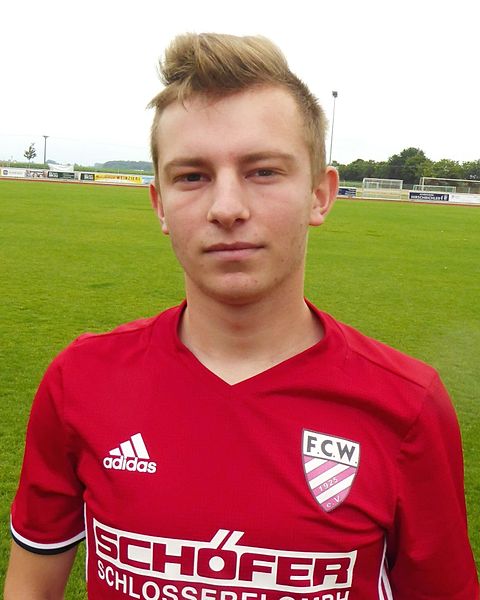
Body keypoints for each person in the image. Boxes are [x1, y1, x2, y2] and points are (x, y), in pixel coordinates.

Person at [4, 33, 478, 600]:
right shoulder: (80, 380)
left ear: (320, 195)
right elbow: (31, 586)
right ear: (159, 205)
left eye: (263, 171)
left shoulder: (407, 405)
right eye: (192, 176)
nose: (226, 208)